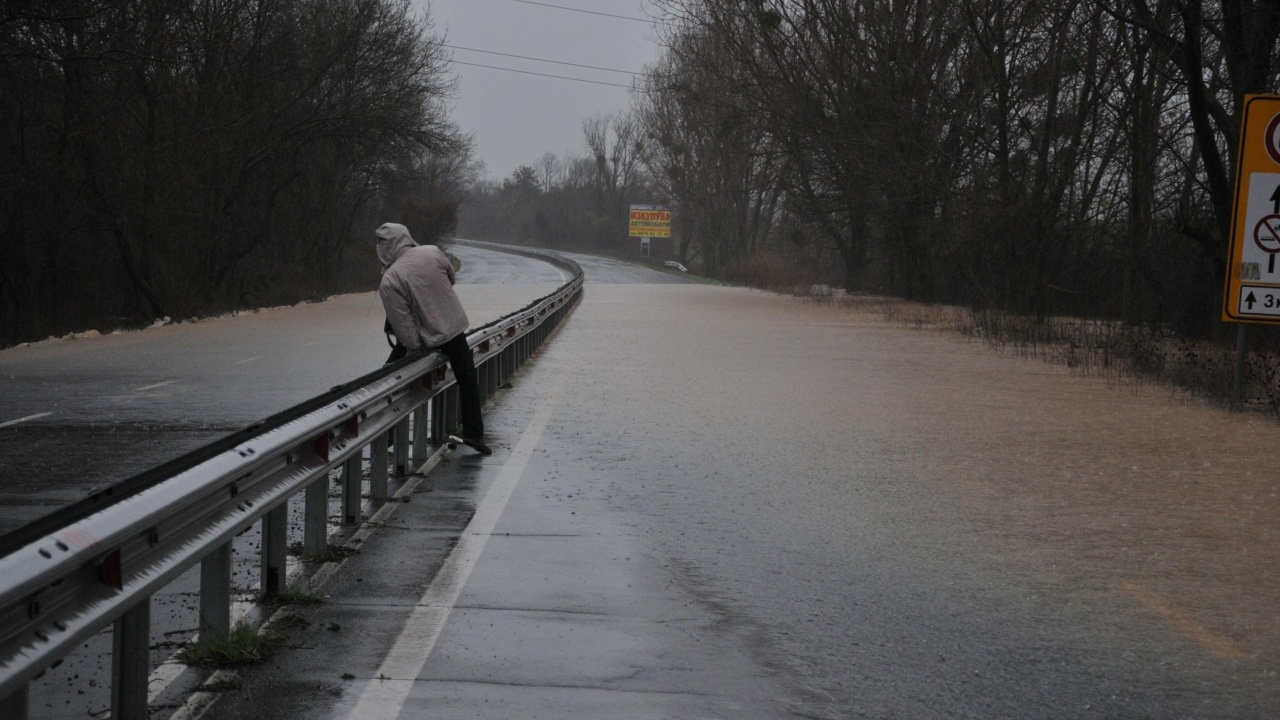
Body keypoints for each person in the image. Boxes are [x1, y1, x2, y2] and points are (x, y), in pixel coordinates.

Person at [375, 222, 491, 455]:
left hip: (426, 337)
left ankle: (383, 436)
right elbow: (451, 278)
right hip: (453, 329)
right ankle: (474, 434)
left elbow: (404, 328)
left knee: (390, 380)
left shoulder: (390, 279)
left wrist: (419, 347)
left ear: (383, 249)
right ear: (406, 236)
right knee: (467, 378)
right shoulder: (432, 251)